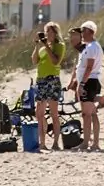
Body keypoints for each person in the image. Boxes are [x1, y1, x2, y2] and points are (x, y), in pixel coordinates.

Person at [31, 21, 65, 149]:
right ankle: (43, 143)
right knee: (39, 113)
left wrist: (47, 46)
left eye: (50, 32)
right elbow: (35, 60)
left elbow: (55, 61)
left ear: (55, 33)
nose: (47, 34)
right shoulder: (43, 48)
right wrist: (37, 45)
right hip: (41, 80)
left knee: (53, 113)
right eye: (46, 32)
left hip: (52, 80)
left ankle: (56, 143)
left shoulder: (59, 45)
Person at [76, 20, 104, 150]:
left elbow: (89, 67)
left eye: (83, 31)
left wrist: (82, 84)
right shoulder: (92, 46)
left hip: (89, 81)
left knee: (87, 114)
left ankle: (87, 142)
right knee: (91, 113)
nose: (81, 34)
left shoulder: (92, 47)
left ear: (89, 31)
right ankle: (94, 143)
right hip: (91, 81)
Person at [65, 27, 83, 98]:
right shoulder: (78, 50)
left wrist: (72, 83)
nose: (71, 38)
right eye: (71, 36)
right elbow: (76, 68)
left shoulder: (85, 49)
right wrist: (71, 83)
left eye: (74, 35)